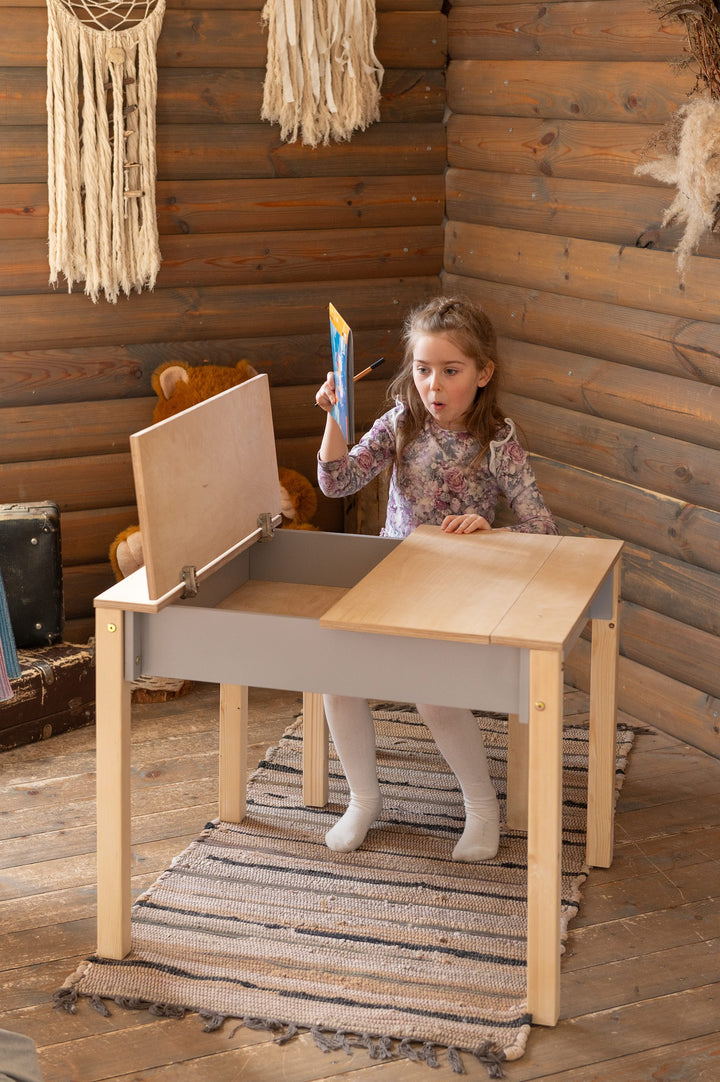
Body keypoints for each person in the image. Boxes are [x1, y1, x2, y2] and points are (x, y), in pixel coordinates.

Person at [315, 295, 557, 861]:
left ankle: (482, 809)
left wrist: (486, 528)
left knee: (433, 696)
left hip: (459, 589)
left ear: (483, 373)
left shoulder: (497, 437)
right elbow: (336, 482)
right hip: (391, 577)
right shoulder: (401, 422)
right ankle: (364, 799)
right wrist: (332, 414)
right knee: (334, 676)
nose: (433, 385)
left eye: (450, 372)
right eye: (423, 370)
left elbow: (542, 526)